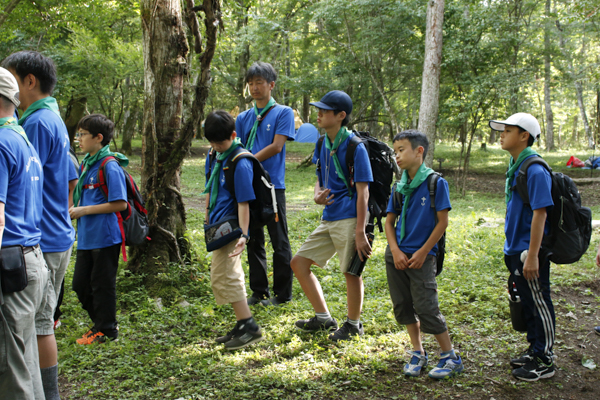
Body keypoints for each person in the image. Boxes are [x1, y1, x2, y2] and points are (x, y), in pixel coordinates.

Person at [3, 50, 77, 400]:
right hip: (55, 232)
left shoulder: (30, 124)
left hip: (39, 238)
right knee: (37, 325)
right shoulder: (54, 118)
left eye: (11, 78)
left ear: (28, 81)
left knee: (37, 327)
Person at [290, 90, 372, 342]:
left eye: (325, 111)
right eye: (319, 109)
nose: (319, 113)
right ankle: (324, 318)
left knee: (351, 272)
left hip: (349, 217)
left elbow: (363, 192)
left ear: (341, 116)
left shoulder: (355, 147)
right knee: (299, 263)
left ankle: (353, 325)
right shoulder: (321, 142)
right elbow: (319, 177)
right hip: (329, 216)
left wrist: (360, 231)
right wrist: (317, 195)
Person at [384, 130, 463, 379]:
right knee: (404, 305)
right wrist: (395, 250)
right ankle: (418, 352)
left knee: (427, 306)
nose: (397, 155)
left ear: (420, 151)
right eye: (395, 151)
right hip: (396, 256)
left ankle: (449, 355)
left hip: (422, 256)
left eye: (402, 150)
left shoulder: (435, 183)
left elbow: (442, 222)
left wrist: (423, 251)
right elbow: (389, 222)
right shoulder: (399, 186)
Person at [490, 113, 555, 381]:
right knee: (527, 301)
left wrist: (533, 256)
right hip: (515, 249)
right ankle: (534, 348)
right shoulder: (516, 165)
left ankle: (545, 358)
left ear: (524, 135)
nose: (501, 135)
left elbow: (541, 213)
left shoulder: (535, 169)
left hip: (530, 252)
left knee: (539, 301)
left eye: (507, 131)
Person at [0, 66, 48, 399]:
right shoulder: (22, 138)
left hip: (11, 266)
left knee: (11, 368)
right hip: (31, 260)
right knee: (26, 360)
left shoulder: (2, 142)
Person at [235, 62, 294, 306]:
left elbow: (277, 146)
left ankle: (283, 294)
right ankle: (259, 291)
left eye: (259, 82)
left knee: (279, 240)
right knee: (253, 238)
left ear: (271, 85)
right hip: (248, 185)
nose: (254, 87)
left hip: (271, 186)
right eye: (250, 83)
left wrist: (247, 161)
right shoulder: (243, 117)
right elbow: (237, 145)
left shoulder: (283, 112)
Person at [203, 110, 263, 350]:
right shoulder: (217, 156)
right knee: (224, 275)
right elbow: (211, 187)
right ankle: (242, 323)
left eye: (220, 142)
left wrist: (244, 235)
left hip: (233, 227)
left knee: (226, 275)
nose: (216, 146)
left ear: (233, 135)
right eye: (212, 142)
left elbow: (244, 202)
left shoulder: (240, 161)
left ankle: (250, 327)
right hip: (218, 225)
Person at [69, 114, 128, 344]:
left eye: (82, 134)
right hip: (86, 237)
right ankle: (101, 323)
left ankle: (107, 330)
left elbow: (120, 203)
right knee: (80, 284)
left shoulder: (109, 165)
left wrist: (83, 210)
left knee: (102, 286)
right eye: (79, 134)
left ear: (98, 137)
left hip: (105, 237)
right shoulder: (87, 163)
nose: (78, 139)